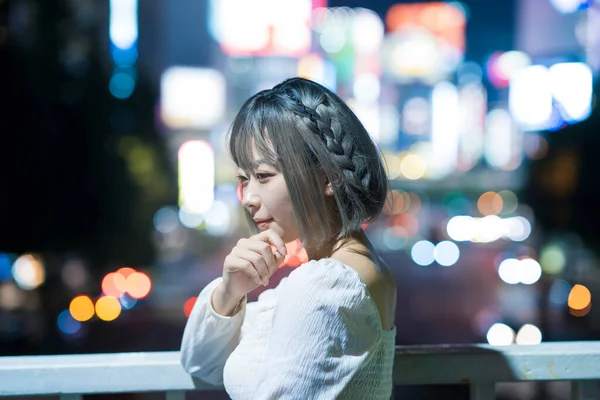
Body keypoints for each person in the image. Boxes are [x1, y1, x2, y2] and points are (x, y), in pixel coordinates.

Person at [180, 77, 397, 399]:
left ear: (330, 178)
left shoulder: (327, 285)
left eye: (264, 176)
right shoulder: (343, 271)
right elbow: (201, 365)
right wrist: (231, 290)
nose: (248, 198)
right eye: (244, 179)